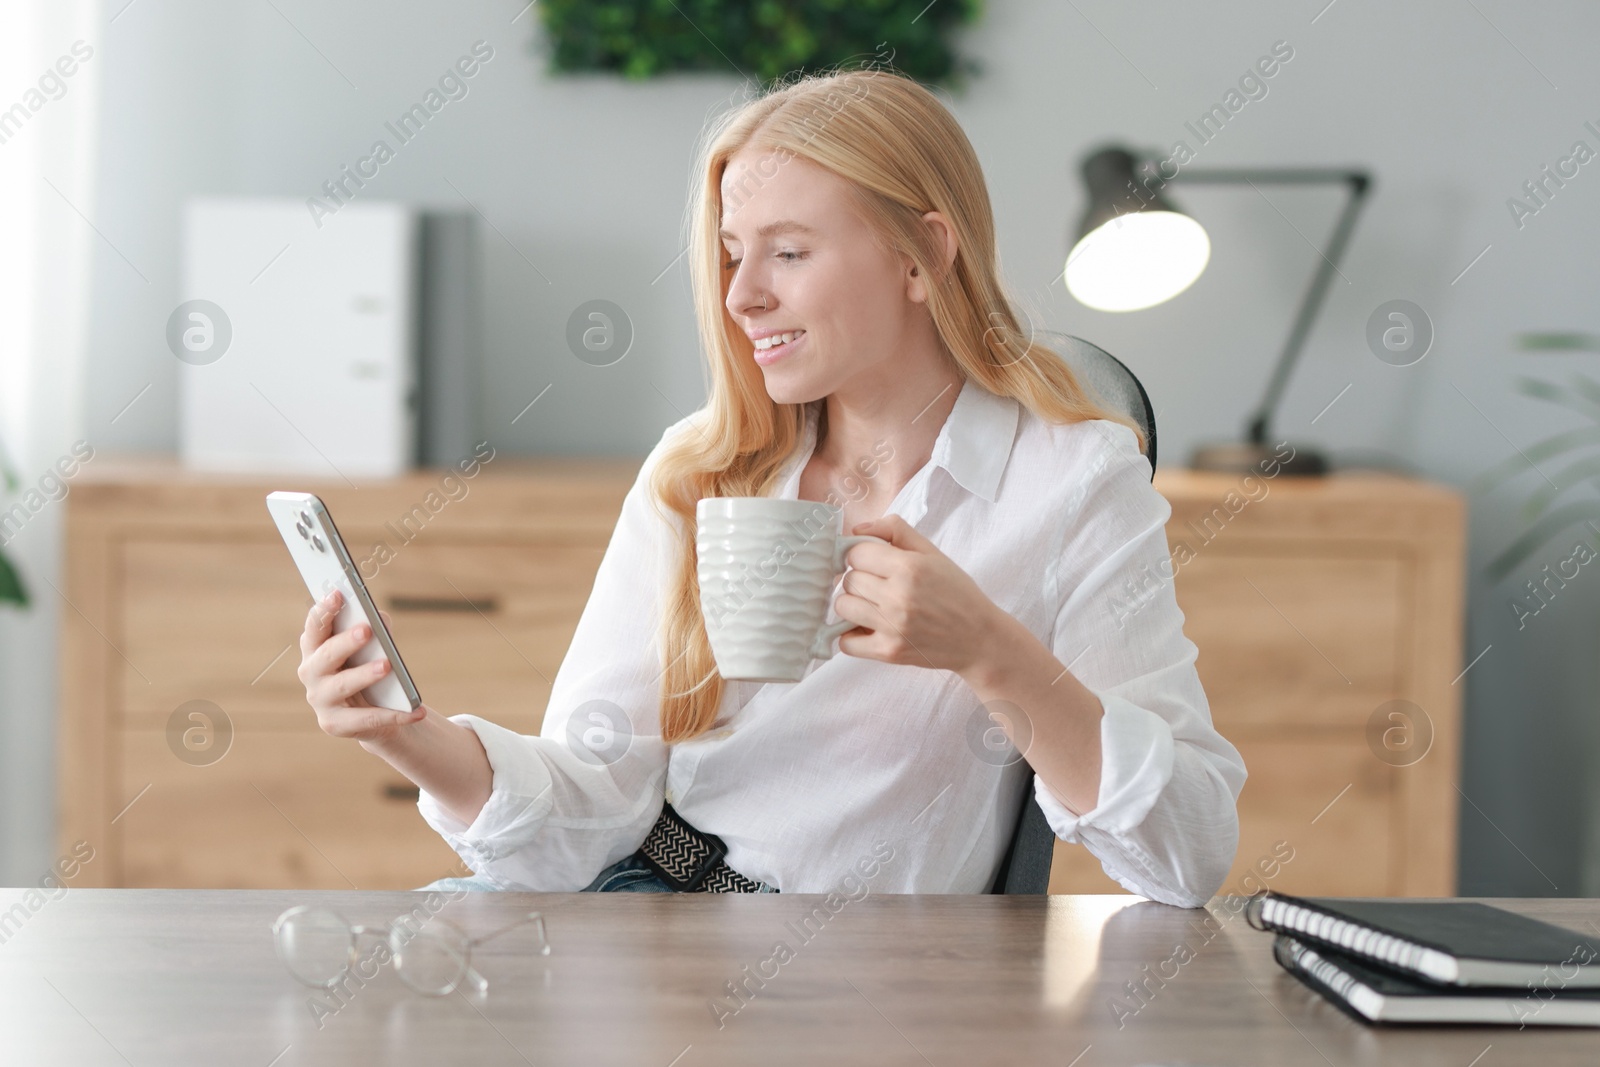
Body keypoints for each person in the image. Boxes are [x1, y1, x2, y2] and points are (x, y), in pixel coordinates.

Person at [295, 68, 1245, 906]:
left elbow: (1187, 854)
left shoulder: (1072, 479)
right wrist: (405, 737)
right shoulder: (698, 468)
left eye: (788, 252)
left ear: (924, 255)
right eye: (733, 252)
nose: (742, 294)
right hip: (633, 906)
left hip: (844, 989)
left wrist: (989, 650)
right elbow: (593, 800)